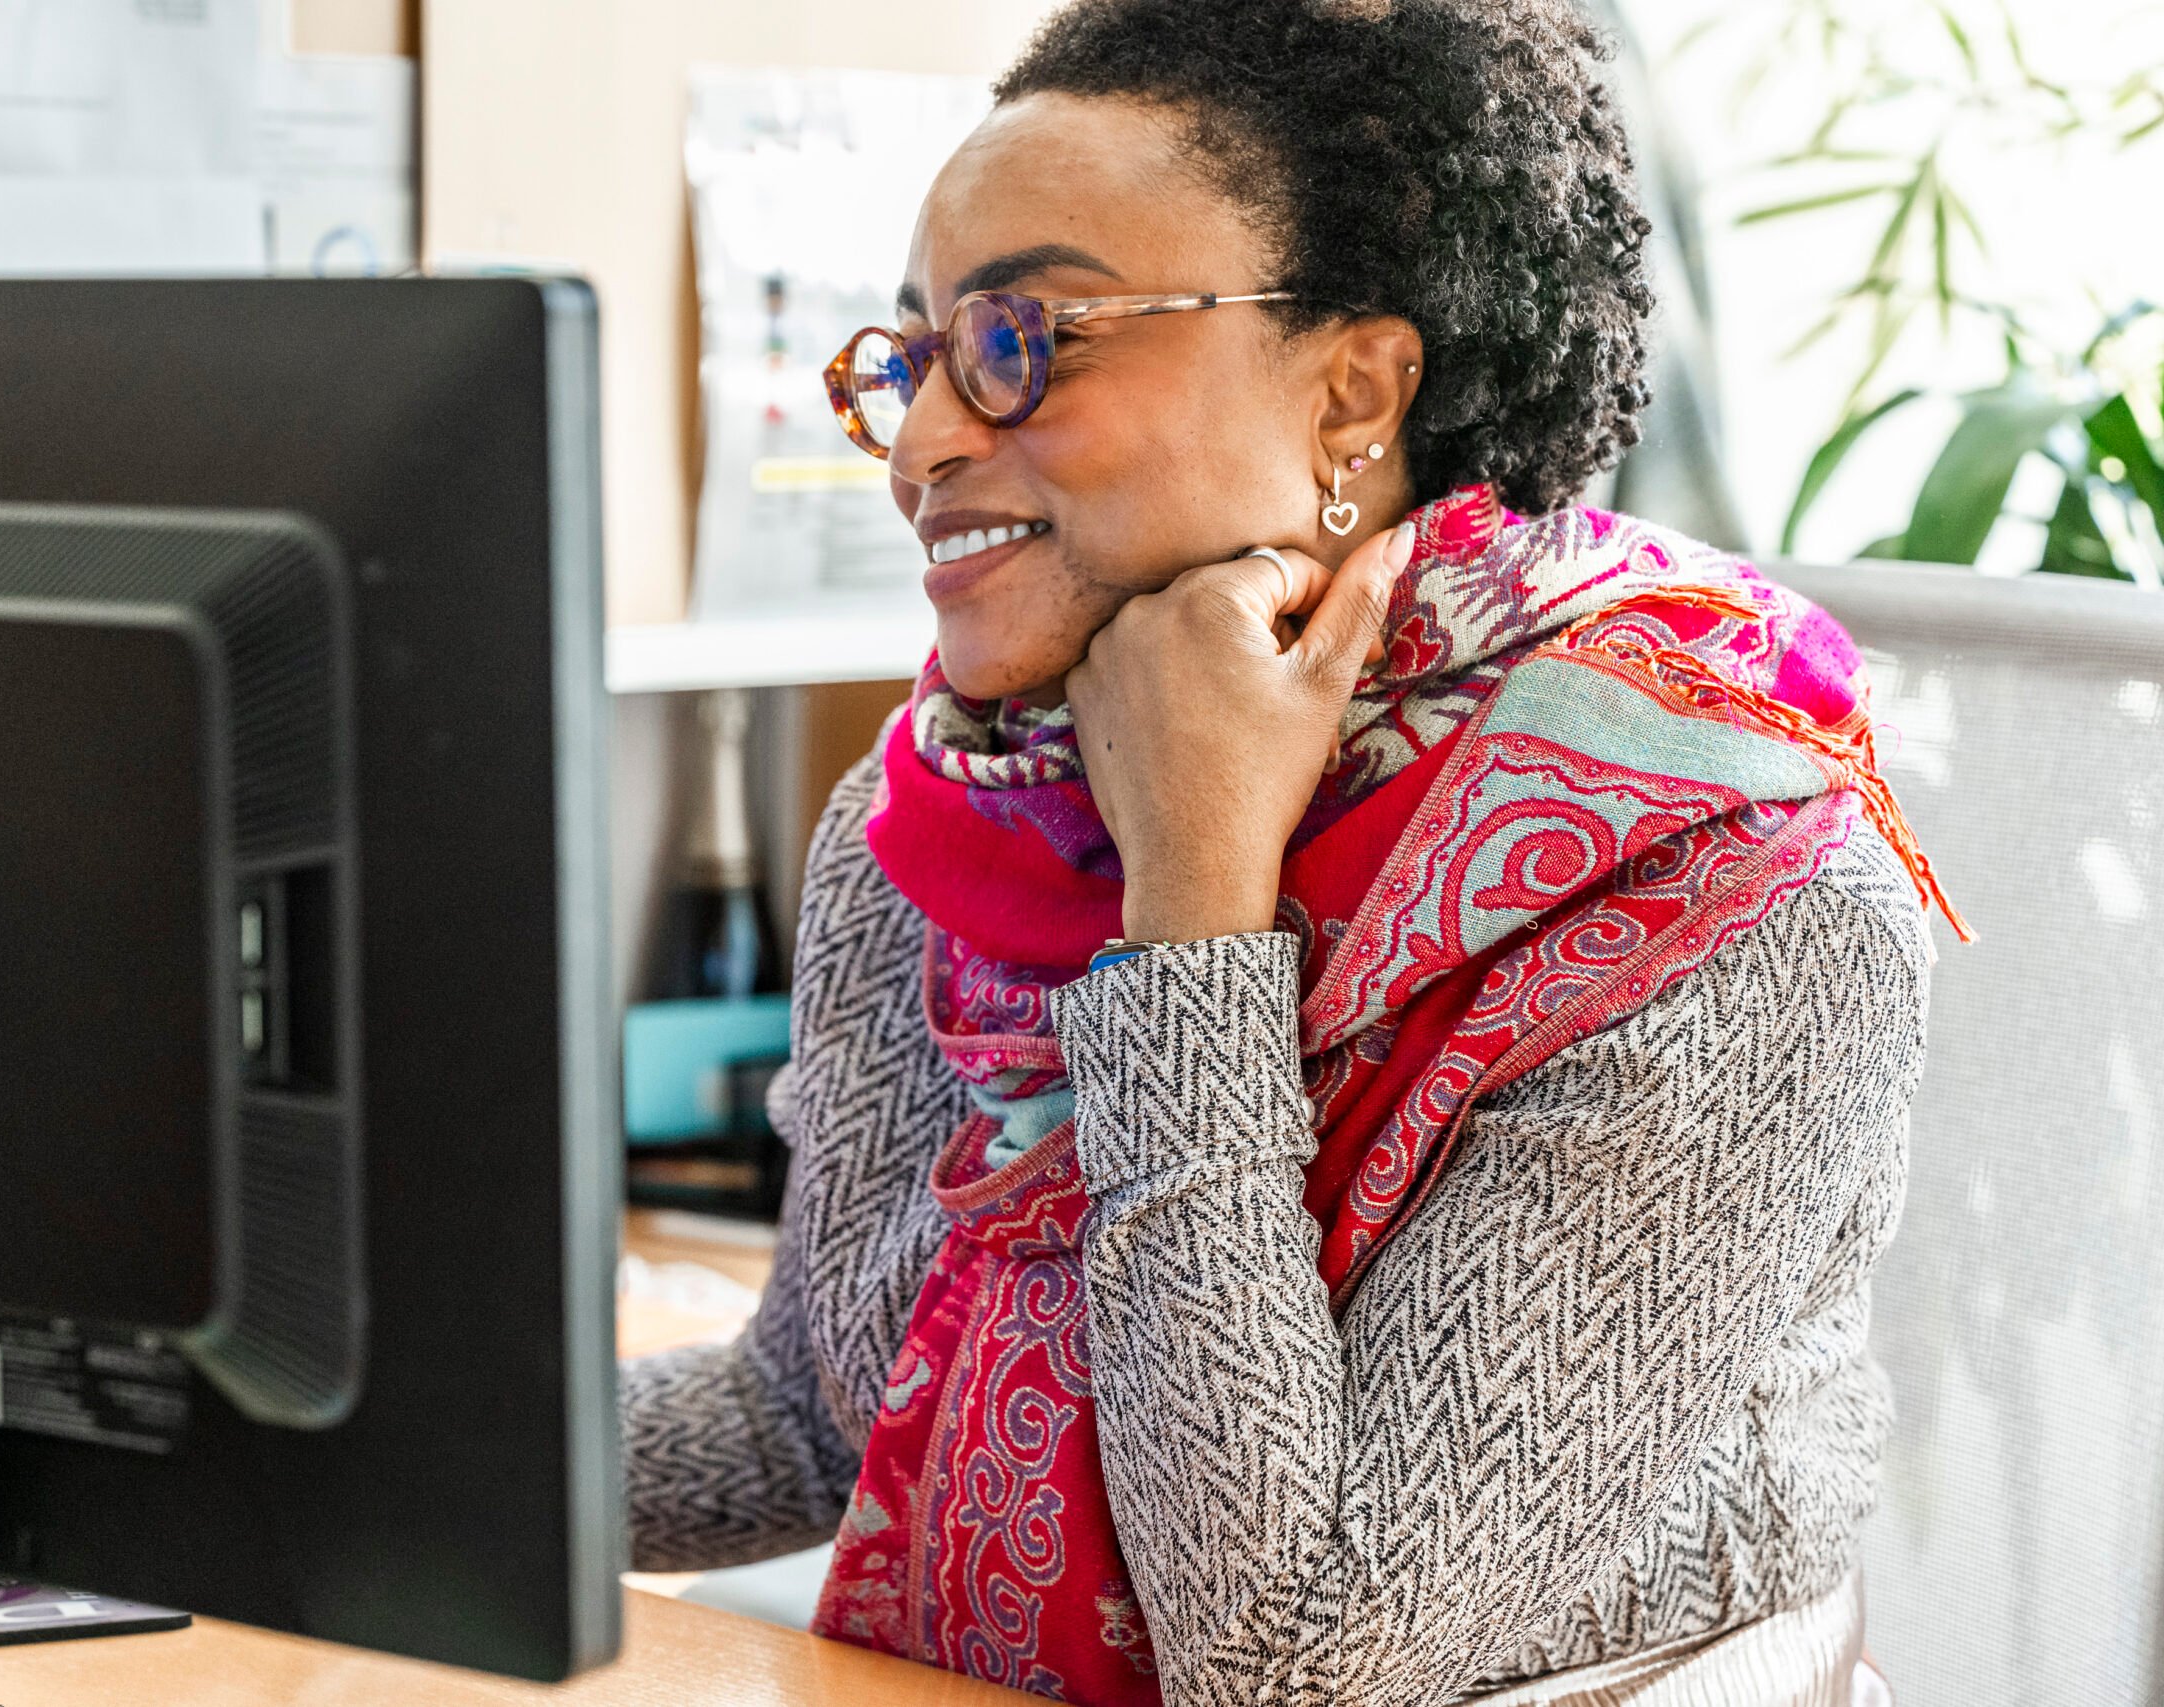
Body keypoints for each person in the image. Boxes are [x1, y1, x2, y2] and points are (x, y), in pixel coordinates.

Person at [623, 2, 1955, 1702]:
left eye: (1024, 339)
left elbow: (1304, 1658)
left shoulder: (1725, 899)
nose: (920, 445)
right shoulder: (954, 815)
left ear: (1352, 397)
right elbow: (805, 1409)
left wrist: (1193, 912)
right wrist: (242, 1420)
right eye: (912, 358)